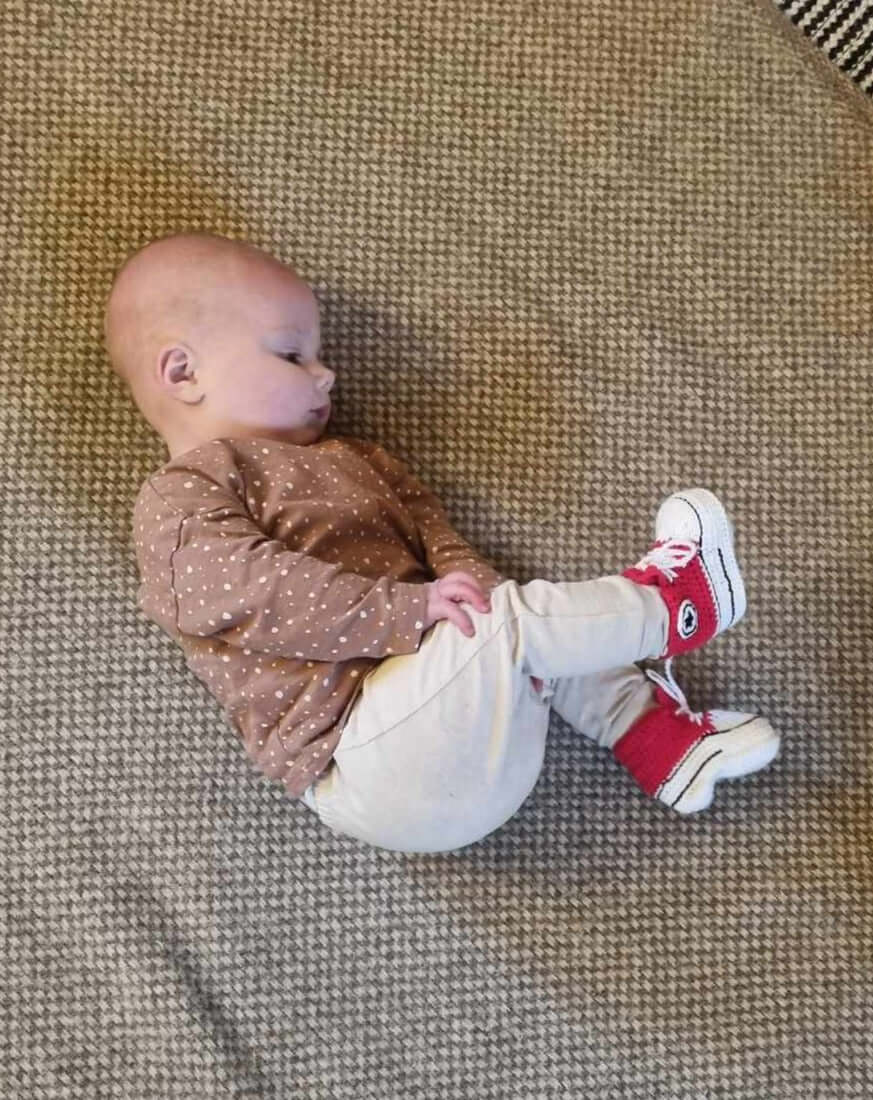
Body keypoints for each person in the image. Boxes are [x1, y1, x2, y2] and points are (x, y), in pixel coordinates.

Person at [105, 231, 779, 854]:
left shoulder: (362, 461)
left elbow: (447, 551)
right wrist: (410, 612)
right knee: (500, 626)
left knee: (505, 614)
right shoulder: (184, 492)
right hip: (364, 752)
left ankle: (660, 743)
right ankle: (675, 608)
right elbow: (253, 593)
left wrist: (461, 600)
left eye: (319, 355)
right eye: (290, 354)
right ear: (181, 373)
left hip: (463, 727)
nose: (325, 375)